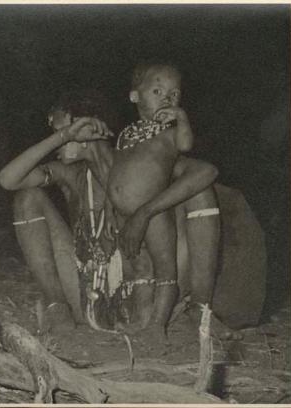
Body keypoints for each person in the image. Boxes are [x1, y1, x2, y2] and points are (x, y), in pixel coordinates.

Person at [0, 90, 222, 340]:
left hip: (145, 295)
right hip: (90, 296)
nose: (58, 142)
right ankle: (57, 307)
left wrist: (145, 213)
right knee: (26, 197)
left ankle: (200, 309)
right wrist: (64, 136)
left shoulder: (137, 164)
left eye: (62, 132)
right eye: (58, 135)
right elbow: (8, 179)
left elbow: (206, 171)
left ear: (89, 129)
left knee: (196, 191)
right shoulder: (70, 174)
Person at [105, 62, 194, 340]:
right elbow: (116, 172)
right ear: (135, 97)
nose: (167, 97)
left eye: (174, 93)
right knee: (140, 267)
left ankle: (158, 325)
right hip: (122, 213)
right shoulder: (127, 133)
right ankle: (142, 319)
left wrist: (181, 117)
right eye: (157, 90)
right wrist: (110, 208)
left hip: (154, 212)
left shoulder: (169, 133)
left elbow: (186, 145)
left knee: (165, 267)